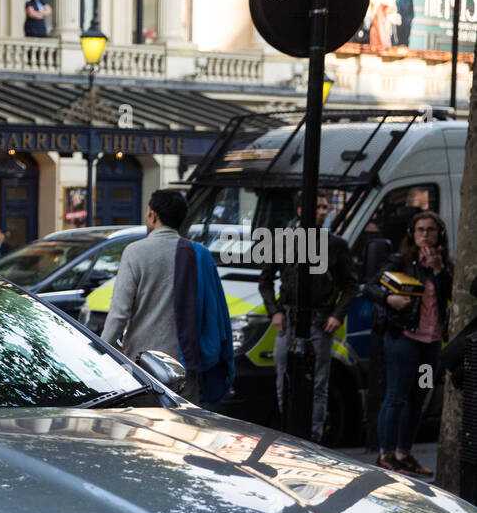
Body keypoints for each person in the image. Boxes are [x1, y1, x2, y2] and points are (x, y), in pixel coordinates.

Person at [101, 190, 233, 405]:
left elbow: (119, 314)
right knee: (182, 428)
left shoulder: (135, 252)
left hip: (142, 365)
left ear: (153, 215)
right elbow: (215, 314)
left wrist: (102, 353)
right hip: (184, 366)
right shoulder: (200, 254)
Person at [260, 190, 360, 443]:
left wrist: (337, 315)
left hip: (319, 320)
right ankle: (288, 435)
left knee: (318, 383)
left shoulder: (335, 244)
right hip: (289, 319)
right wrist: (275, 312)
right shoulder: (282, 240)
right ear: (301, 210)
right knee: (284, 378)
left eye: (325, 207)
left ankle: (313, 439)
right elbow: (265, 282)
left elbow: (351, 284)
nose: (323, 211)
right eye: (318, 207)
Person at [363, 210, 453, 477]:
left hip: (431, 344)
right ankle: (386, 454)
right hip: (404, 340)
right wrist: (389, 300)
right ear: (412, 235)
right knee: (397, 396)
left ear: (440, 235)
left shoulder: (444, 266)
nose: (425, 235)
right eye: (420, 230)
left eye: (431, 230)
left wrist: (438, 270)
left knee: (419, 396)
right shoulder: (400, 261)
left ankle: (404, 452)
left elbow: (449, 295)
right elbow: (370, 287)